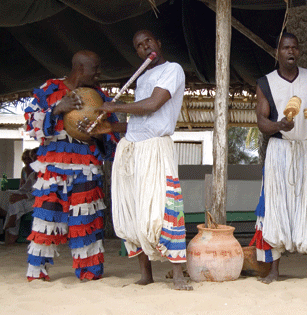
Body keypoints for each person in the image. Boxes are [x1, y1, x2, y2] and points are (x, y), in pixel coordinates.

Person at [95, 30, 191, 290]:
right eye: (138, 45)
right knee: (134, 210)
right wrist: (109, 129)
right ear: (137, 52)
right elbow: (139, 120)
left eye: (148, 40)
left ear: (158, 43)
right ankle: (146, 273)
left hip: (156, 149)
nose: (144, 46)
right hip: (132, 149)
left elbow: (152, 106)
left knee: (164, 208)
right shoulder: (143, 77)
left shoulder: (173, 69)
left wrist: (114, 107)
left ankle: (178, 274)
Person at [24, 51, 120, 281]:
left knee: (86, 222)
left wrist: (97, 134)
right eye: (94, 68)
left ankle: (89, 273)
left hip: (86, 170)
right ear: (79, 69)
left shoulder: (101, 97)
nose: (99, 73)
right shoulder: (49, 89)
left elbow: (112, 141)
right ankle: (37, 273)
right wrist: (58, 108)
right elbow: (30, 123)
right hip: (51, 172)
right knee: (46, 220)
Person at [250, 32, 307, 287]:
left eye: (294, 48)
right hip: (280, 150)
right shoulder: (265, 82)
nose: (290, 52)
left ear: (299, 52)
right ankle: (274, 269)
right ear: (278, 52)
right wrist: (279, 124)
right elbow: (261, 122)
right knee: (276, 208)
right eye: (286, 47)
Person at [2, 148, 39, 245]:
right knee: (14, 202)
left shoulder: (45, 173)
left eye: (34, 158)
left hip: (41, 201)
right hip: (29, 199)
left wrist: (21, 197)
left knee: (16, 205)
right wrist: (16, 195)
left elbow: (38, 192)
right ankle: (12, 226)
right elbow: (24, 189)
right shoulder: (32, 175)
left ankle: (12, 232)